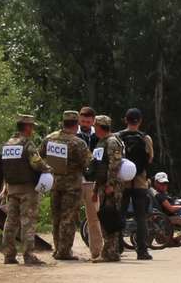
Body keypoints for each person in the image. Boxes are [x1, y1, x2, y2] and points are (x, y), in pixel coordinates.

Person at [0, 114, 52, 265]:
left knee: (10, 222)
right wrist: (49, 168)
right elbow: (37, 164)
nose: (33, 130)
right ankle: (28, 255)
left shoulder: (7, 145)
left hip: (12, 188)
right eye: (32, 127)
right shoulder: (27, 144)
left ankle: (8, 255)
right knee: (27, 222)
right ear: (27, 127)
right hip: (28, 189)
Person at [40, 110, 91, 260]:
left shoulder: (50, 139)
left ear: (63, 122)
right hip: (72, 187)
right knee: (68, 218)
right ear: (76, 125)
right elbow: (88, 163)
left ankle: (57, 249)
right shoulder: (78, 143)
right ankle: (64, 251)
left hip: (54, 184)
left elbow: (38, 157)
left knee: (56, 217)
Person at [117, 108, 154, 260]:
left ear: (126, 119)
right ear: (140, 121)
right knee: (141, 217)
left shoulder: (117, 137)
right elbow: (150, 159)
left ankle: (117, 247)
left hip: (122, 183)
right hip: (140, 183)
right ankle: (142, 251)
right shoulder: (146, 138)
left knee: (120, 214)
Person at [91, 115, 124, 262]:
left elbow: (114, 164)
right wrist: (95, 188)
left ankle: (111, 252)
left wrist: (110, 184)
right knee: (105, 217)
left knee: (110, 217)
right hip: (102, 185)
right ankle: (109, 252)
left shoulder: (112, 142)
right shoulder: (101, 142)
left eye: (95, 125)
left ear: (100, 126)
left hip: (111, 186)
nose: (94, 128)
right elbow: (99, 166)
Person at [77, 106, 103, 259]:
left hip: (91, 182)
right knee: (65, 216)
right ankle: (62, 250)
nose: (85, 124)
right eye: (82, 121)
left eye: (88, 121)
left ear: (93, 121)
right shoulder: (74, 134)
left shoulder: (99, 137)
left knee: (93, 218)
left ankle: (96, 251)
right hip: (74, 180)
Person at [151, 172, 181, 247]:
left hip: (170, 215)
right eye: (161, 183)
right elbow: (171, 209)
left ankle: (172, 239)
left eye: (165, 183)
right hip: (169, 216)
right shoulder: (160, 195)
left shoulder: (162, 194)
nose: (164, 186)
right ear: (155, 183)